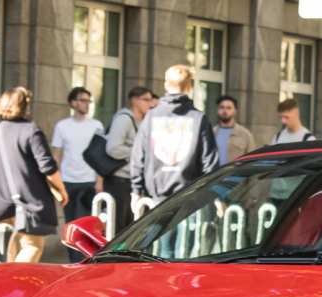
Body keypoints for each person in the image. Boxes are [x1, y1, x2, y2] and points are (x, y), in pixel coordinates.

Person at [0, 87, 67, 263]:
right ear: (24, 108)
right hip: (27, 199)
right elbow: (48, 166)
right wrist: (61, 189)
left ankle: (4, 285)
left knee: (5, 249)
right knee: (32, 246)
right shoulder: (31, 131)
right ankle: (15, 283)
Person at [129, 66, 219, 213]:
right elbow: (209, 161)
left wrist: (137, 190)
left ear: (165, 85)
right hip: (190, 199)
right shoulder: (198, 118)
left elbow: (138, 156)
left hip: (157, 198)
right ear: (189, 87)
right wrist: (214, 193)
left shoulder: (151, 116)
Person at [51, 87, 107, 262]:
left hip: (89, 182)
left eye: (89, 101)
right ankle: (74, 262)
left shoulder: (96, 125)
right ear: (73, 103)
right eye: (83, 100)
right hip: (68, 182)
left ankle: (85, 261)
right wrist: (55, 185)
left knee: (86, 225)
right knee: (70, 225)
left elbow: (101, 156)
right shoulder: (62, 126)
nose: (86, 104)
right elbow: (57, 155)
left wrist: (99, 181)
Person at [104, 86, 154, 235]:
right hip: (119, 180)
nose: (150, 104)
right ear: (135, 101)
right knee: (119, 228)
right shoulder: (123, 119)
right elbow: (112, 148)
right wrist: (137, 153)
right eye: (146, 100)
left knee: (132, 227)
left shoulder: (142, 121)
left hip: (133, 180)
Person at [215, 95, 257, 163]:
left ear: (235, 111)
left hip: (236, 173)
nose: (224, 111)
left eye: (229, 108)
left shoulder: (245, 135)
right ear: (218, 110)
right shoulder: (211, 133)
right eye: (222, 107)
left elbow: (252, 161)